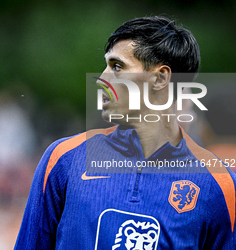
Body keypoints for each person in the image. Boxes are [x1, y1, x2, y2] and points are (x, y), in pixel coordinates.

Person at [15, 16, 236, 249]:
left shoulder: (220, 186)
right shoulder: (64, 159)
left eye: (117, 67)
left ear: (160, 78)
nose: (101, 79)